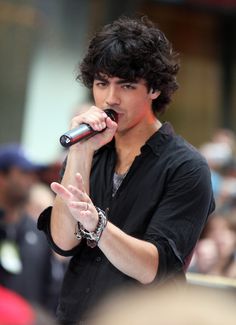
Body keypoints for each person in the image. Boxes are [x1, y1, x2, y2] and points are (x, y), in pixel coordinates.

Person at [37, 16, 215, 324]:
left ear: (155, 90)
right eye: (102, 83)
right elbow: (64, 242)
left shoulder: (187, 167)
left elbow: (154, 268)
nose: (111, 99)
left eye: (127, 86)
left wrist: (98, 226)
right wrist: (80, 151)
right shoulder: (91, 149)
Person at [0, 143, 62, 313]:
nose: (31, 179)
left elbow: (50, 288)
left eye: (33, 174)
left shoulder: (38, 233)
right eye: (23, 173)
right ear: (2, 177)